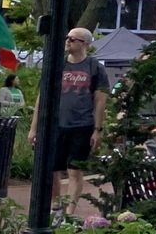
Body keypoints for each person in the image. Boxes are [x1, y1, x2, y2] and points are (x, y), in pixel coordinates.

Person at [28, 26, 108, 213]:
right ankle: (56, 204)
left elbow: (100, 100)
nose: (68, 41)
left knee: (74, 170)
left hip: (82, 125)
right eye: (67, 38)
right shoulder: (57, 66)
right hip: (56, 125)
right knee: (53, 168)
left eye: (73, 39)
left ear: (85, 44)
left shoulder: (95, 67)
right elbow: (42, 97)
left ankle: (70, 211)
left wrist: (97, 129)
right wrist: (34, 128)